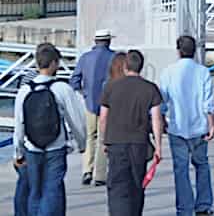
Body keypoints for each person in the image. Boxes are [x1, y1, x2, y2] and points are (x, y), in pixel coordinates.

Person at [12, 42, 88, 216]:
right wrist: (81, 143)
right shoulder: (61, 88)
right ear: (54, 63)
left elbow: (19, 124)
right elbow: (77, 120)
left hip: (32, 149)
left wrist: (18, 152)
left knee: (35, 191)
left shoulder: (24, 91)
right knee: (52, 190)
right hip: (56, 147)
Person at [99, 49, 164, 216]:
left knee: (117, 186)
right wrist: (158, 146)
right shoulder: (150, 88)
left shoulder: (110, 87)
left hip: (116, 141)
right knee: (137, 184)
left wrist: (104, 141)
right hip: (138, 144)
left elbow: (103, 118)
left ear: (125, 66)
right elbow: (157, 119)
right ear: (140, 67)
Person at [159, 35, 214, 216]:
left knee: (180, 170)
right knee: (202, 165)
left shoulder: (167, 72)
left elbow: (162, 102)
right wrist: (211, 124)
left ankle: (184, 208)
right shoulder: (203, 72)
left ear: (178, 51)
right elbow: (208, 103)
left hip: (177, 127)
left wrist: (161, 121)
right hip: (199, 126)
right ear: (195, 51)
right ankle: (203, 205)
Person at [70, 28, 116, 188]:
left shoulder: (85, 58)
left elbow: (74, 80)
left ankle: (87, 170)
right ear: (109, 41)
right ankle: (100, 175)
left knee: (90, 137)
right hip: (108, 106)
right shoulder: (114, 58)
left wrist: (84, 93)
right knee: (104, 138)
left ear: (95, 41)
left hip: (89, 103)